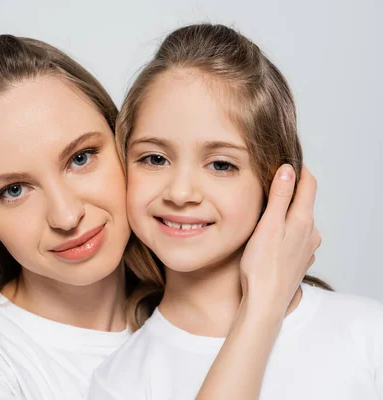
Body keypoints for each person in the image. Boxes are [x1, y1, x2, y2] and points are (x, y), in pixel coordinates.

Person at [0, 34, 322, 400]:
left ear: (127, 146)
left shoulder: (204, 315)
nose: (66, 215)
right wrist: (261, 308)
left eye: (81, 158)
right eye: (14, 190)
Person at [87, 23, 383, 400]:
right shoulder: (120, 383)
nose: (180, 192)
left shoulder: (368, 334)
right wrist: (261, 310)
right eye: (155, 158)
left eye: (221, 165)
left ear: (274, 181)